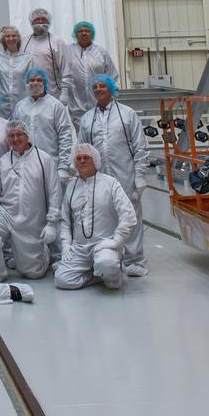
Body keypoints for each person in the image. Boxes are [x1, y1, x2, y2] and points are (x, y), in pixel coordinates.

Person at [78, 74, 150, 277]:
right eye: (96, 87)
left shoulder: (127, 114)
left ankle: (135, 259)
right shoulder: (87, 118)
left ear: (111, 89)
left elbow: (140, 147)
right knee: (104, 217)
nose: (99, 89)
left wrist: (140, 175)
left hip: (125, 175)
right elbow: (81, 149)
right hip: (99, 178)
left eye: (103, 86)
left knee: (131, 216)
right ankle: (108, 257)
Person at [0, 119, 62, 282]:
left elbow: (55, 193)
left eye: (19, 135)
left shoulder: (44, 160)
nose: (15, 139)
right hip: (6, 213)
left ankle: (44, 250)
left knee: (33, 273)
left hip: (31, 220)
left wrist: (51, 223)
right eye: (11, 136)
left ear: (27, 135)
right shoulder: (4, 160)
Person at [55, 143, 137, 291]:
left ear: (95, 161)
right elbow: (65, 221)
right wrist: (66, 244)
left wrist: (116, 240)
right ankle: (97, 276)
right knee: (62, 280)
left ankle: (111, 272)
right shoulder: (71, 187)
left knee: (108, 266)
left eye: (86, 157)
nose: (82, 161)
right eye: (78, 158)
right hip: (79, 248)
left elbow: (128, 214)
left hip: (104, 245)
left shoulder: (110, 183)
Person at [13, 68, 75, 186]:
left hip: (51, 165)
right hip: (24, 165)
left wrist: (63, 167)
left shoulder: (55, 105)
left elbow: (65, 137)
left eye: (39, 80)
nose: (35, 83)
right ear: (26, 83)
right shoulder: (20, 107)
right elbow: (13, 137)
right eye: (32, 80)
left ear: (45, 83)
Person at [68, 22, 120, 120]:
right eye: (80, 31)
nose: (84, 33)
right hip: (76, 104)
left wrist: (113, 94)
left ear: (92, 34)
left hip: (100, 102)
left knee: (101, 131)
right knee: (81, 132)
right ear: (75, 34)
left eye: (87, 31)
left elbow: (112, 75)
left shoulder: (101, 52)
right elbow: (61, 74)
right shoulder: (68, 51)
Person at [21, 8, 72, 102]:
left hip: (51, 93)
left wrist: (64, 92)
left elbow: (65, 69)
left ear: (49, 22)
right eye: (37, 20)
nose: (40, 22)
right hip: (27, 95)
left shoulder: (57, 41)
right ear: (31, 22)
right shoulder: (24, 41)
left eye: (43, 20)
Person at [0, 26, 31, 118]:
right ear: (3, 40)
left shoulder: (27, 59)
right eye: (7, 36)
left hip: (22, 102)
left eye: (14, 36)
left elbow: (30, 82)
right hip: (2, 106)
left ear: (18, 38)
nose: (11, 38)